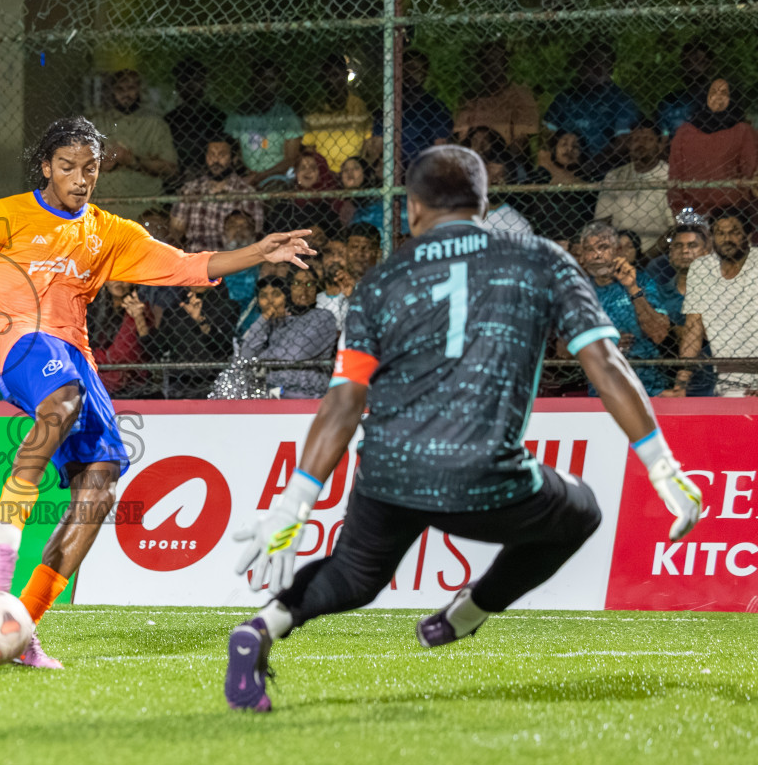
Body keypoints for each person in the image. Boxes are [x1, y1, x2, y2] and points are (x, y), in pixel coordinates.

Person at [223, 145, 703, 714]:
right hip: (481, 471)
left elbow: (344, 400)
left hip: (390, 470)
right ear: (483, 203)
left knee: (354, 576)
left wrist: (295, 502)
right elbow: (605, 363)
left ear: (411, 209)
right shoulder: (541, 258)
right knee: (581, 514)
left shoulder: (381, 281)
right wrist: (662, 466)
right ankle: (469, 612)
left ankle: (262, 626)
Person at [0, 116, 314, 667]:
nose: (80, 178)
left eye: (90, 168)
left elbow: (185, 266)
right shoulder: (5, 215)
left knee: (101, 483)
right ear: (46, 168)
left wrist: (258, 252)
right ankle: (1, 533)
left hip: (75, 354)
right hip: (18, 339)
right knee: (62, 400)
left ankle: (21, 625)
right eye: (67, 167)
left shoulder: (108, 232)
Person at [574, 220, 671, 396]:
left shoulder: (642, 281)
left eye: (603, 247)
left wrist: (632, 288)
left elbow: (659, 334)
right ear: (583, 256)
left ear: (617, 251)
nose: (597, 255)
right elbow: (562, 350)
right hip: (602, 389)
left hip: (647, 385)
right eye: (589, 249)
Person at [677, 208, 758, 396]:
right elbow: (693, 329)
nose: (726, 239)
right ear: (712, 238)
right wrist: (680, 384)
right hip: (727, 378)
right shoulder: (702, 268)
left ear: (748, 235)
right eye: (720, 233)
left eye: (734, 232)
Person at [230, 272, 339, 398]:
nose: (270, 301)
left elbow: (294, 354)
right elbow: (245, 355)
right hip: (272, 393)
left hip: (306, 393)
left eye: (310, 284)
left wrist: (260, 359)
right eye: (297, 283)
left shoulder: (323, 317)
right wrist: (264, 318)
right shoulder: (270, 323)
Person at [668, 78, 758, 218]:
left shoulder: (743, 131)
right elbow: (675, 176)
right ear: (705, 97)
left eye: (724, 93)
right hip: (694, 214)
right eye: (713, 92)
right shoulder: (685, 132)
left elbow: (750, 174)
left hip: (733, 214)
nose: (718, 97)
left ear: (732, 99)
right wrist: (686, 219)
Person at [543, 44, 641, 171]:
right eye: (592, 63)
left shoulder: (621, 100)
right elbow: (545, 136)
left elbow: (622, 143)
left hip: (604, 170)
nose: (598, 68)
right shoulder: (565, 98)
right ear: (581, 68)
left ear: (611, 70)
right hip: (561, 167)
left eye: (604, 64)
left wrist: (591, 166)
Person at [90, 69, 178, 200]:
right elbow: (79, 165)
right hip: (103, 201)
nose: (125, 94)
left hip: (144, 203)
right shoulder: (98, 123)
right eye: (120, 89)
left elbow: (170, 170)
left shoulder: (155, 124)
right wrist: (102, 164)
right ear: (112, 92)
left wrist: (134, 161)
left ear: (140, 90)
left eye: (131, 88)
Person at [656, 215, 717, 398]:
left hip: (713, 378)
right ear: (670, 253)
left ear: (705, 252)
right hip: (666, 377)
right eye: (678, 246)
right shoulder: (658, 292)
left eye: (692, 245)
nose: (685, 251)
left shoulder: (720, 291)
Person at [144, 280, 238, 398]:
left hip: (215, 379)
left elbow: (226, 348)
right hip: (179, 382)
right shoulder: (175, 310)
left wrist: (202, 322)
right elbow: (156, 349)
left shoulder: (227, 307)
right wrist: (139, 319)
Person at [596, 120, 672, 254]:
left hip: (659, 253)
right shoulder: (615, 176)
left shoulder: (670, 175)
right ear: (629, 145)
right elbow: (602, 221)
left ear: (660, 146)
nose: (641, 144)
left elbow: (673, 229)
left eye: (647, 139)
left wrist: (647, 258)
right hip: (618, 251)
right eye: (636, 139)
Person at [171, 137, 259, 252]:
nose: (215, 160)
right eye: (211, 155)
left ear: (234, 159)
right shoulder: (190, 189)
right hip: (195, 255)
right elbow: (176, 230)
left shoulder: (246, 192)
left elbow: (256, 233)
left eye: (222, 155)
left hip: (230, 257)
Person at [225, 60, 303, 186]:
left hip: (277, 176)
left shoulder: (287, 116)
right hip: (245, 174)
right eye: (260, 79)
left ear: (279, 84)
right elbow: (229, 150)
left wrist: (258, 177)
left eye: (270, 80)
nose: (264, 84)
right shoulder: (240, 115)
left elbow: (290, 160)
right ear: (252, 82)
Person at [452, 41, 539, 148]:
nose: (491, 67)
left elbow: (520, 143)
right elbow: (460, 137)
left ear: (505, 65)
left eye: (496, 61)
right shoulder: (472, 98)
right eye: (486, 62)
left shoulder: (519, 96)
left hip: (503, 154)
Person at [299, 54, 372, 172]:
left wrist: (363, 166)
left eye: (335, 75)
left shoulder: (358, 106)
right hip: (323, 172)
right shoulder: (315, 109)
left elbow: (368, 142)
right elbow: (309, 146)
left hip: (352, 171)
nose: (330, 81)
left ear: (346, 75)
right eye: (326, 76)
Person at [164, 57, 227, 190]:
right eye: (185, 80)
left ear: (204, 83)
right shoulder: (169, 120)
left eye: (196, 79)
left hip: (212, 179)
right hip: (177, 181)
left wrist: (203, 171)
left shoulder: (217, 117)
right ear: (177, 86)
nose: (190, 84)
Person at [86, 281, 148, 398]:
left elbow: (124, 354)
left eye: (124, 277)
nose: (119, 282)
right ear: (105, 282)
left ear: (133, 283)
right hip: (100, 372)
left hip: (130, 380)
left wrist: (138, 317)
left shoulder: (140, 308)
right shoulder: (96, 308)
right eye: (114, 277)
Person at [656, 41, 715, 138]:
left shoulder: (725, 100)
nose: (692, 66)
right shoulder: (669, 103)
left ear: (709, 65)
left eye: (698, 61)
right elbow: (663, 135)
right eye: (687, 62)